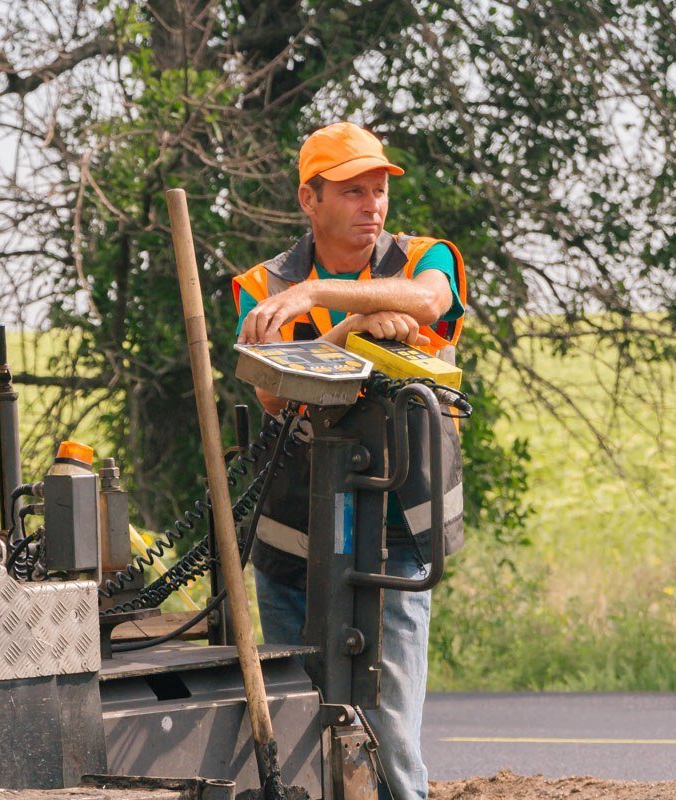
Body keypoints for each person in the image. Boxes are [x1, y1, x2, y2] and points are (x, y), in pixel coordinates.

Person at [231, 121, 466, 800]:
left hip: (393, 530)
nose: (374, 205)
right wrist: (348, 331)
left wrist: (315, 299)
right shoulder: (262, 283)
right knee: (302, 729)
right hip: (292, 536)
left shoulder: (424, 259)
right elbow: (273, 395)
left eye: (379, 190)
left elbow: (430, 302)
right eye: (354, 191)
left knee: (390, 736)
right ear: (311, 199)